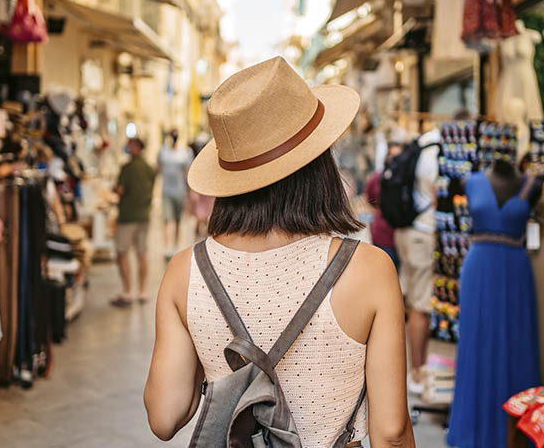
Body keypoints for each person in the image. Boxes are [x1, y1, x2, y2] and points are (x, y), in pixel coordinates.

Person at [144, 57, 415, 447]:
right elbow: (391, 433)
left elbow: (164, 416)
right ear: (319, 162)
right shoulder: (367, 269)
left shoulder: (187, 270)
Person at [393, 124, 441, 394]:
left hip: (408, 232)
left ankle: (415, 369)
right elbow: (436, 196)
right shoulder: (435, 154)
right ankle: (417, 373)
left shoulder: (419, 146)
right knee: (420, 305)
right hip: (423, 233)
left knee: (412, 301)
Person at [112, 137, 156, 306]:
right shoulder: (149, 168)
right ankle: (142, 291)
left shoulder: (127, 168)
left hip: (127, 216)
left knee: (122, 253)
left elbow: (120, 190)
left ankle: (128, 291)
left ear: (135, 147)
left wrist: (114, 189)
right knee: (142, 253)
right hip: (144, 215)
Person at [364, 142, 403, 271]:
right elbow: (369, 198)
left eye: (398, 156)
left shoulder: (407, 179)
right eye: (391, 155)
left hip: (402, 235)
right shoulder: (377, 178)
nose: (394, 160)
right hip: (383, 234)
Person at [157, 129, 193, 257]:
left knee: (177, 220)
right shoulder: (163, 152)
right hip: (167, 191)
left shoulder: (185, 153)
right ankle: (167, 246)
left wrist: (190, 192)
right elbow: (158, 169)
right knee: (167, 219)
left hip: (180, 191)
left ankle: (176, 246)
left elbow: (187, 172)